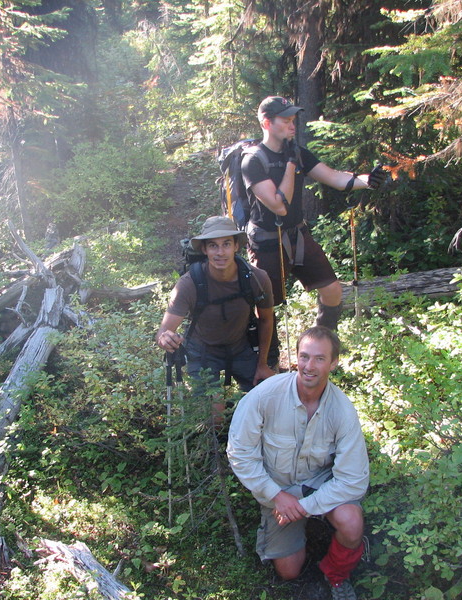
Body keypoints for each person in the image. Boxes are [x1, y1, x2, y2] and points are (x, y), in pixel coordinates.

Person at [227, 326, 369, 600]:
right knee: (288, 572)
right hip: (278, 490)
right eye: (304, 357)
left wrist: (303, 507)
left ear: (333, 363)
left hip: (319, 486)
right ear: (296, 359)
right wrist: (277, 496)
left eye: (319, 358)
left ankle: (336, 575)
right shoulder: (265, 396)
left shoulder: (342, 410)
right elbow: (240, 452)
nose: (309, 366)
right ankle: (287, 530)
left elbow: (353, 479)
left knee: (351, 522)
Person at [242, 96, 388, 354]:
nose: (292, 125)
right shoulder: (253, 161)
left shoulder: (298, 153)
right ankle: (268, 358)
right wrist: (289, 165)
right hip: (266, 241)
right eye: (285, 120)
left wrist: (367, 180)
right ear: (266, 123)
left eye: (293, 120)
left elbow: (333, 177)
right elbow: (279, 205)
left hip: (297, 235)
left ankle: (323, 345)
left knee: (332, 290)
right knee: (266, 306)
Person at [156, 216, 277, 419]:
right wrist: (165, 339)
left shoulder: (257, 278)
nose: (220, 252)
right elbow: (164, 331)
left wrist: (263, 364)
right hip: (202, 350)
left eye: (226, 244)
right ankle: (217, 443)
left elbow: (266, 319)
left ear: (236, 246)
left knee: (266, 404)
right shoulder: (189, 284)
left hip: (241, 347)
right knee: (215, 418)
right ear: (204, 250)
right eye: (213, 246)